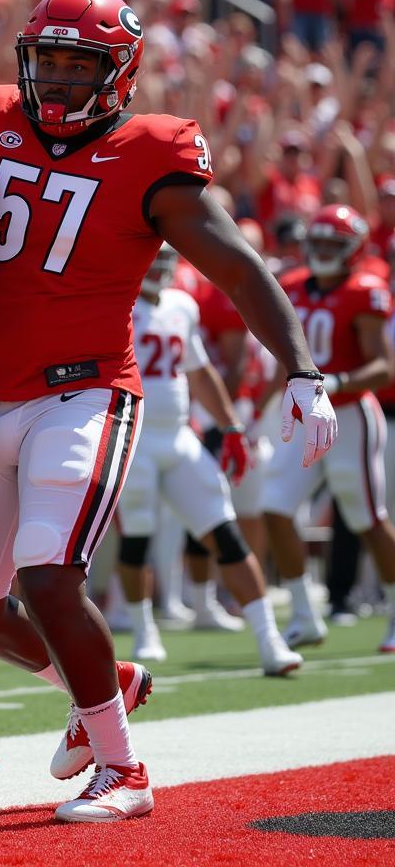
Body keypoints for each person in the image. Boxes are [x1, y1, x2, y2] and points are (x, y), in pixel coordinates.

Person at [0, 0, 337, 823]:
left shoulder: (154, 153)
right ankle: (101, 688)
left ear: (118, 75)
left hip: (85, 394)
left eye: (79, 67)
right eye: (47, 62)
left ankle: (123, 767)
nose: (59, 83)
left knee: (49, 572)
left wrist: (299, 368)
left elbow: (232, 262)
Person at [115, 244, 302, 675]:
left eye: (165, 261)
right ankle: (144, 630)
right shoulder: (115, 303)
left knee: (225, 530)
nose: (159, 269)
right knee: (137, 537)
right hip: (135, 434)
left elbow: (198, 372)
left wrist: (231, 425)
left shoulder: (182, 305)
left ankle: (269, 640)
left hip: (179, 434)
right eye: (152, 260)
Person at [261, 204, 395, 654]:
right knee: (275, 507)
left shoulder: (366, 290)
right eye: (315, 242)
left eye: (331, 244)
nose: (320, 251)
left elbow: (382, 367)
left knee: (366, 518)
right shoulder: (294, 286)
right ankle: (304, 615)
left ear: (353, 250)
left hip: (352, 416)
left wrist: (335, 381)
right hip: (305, 415)